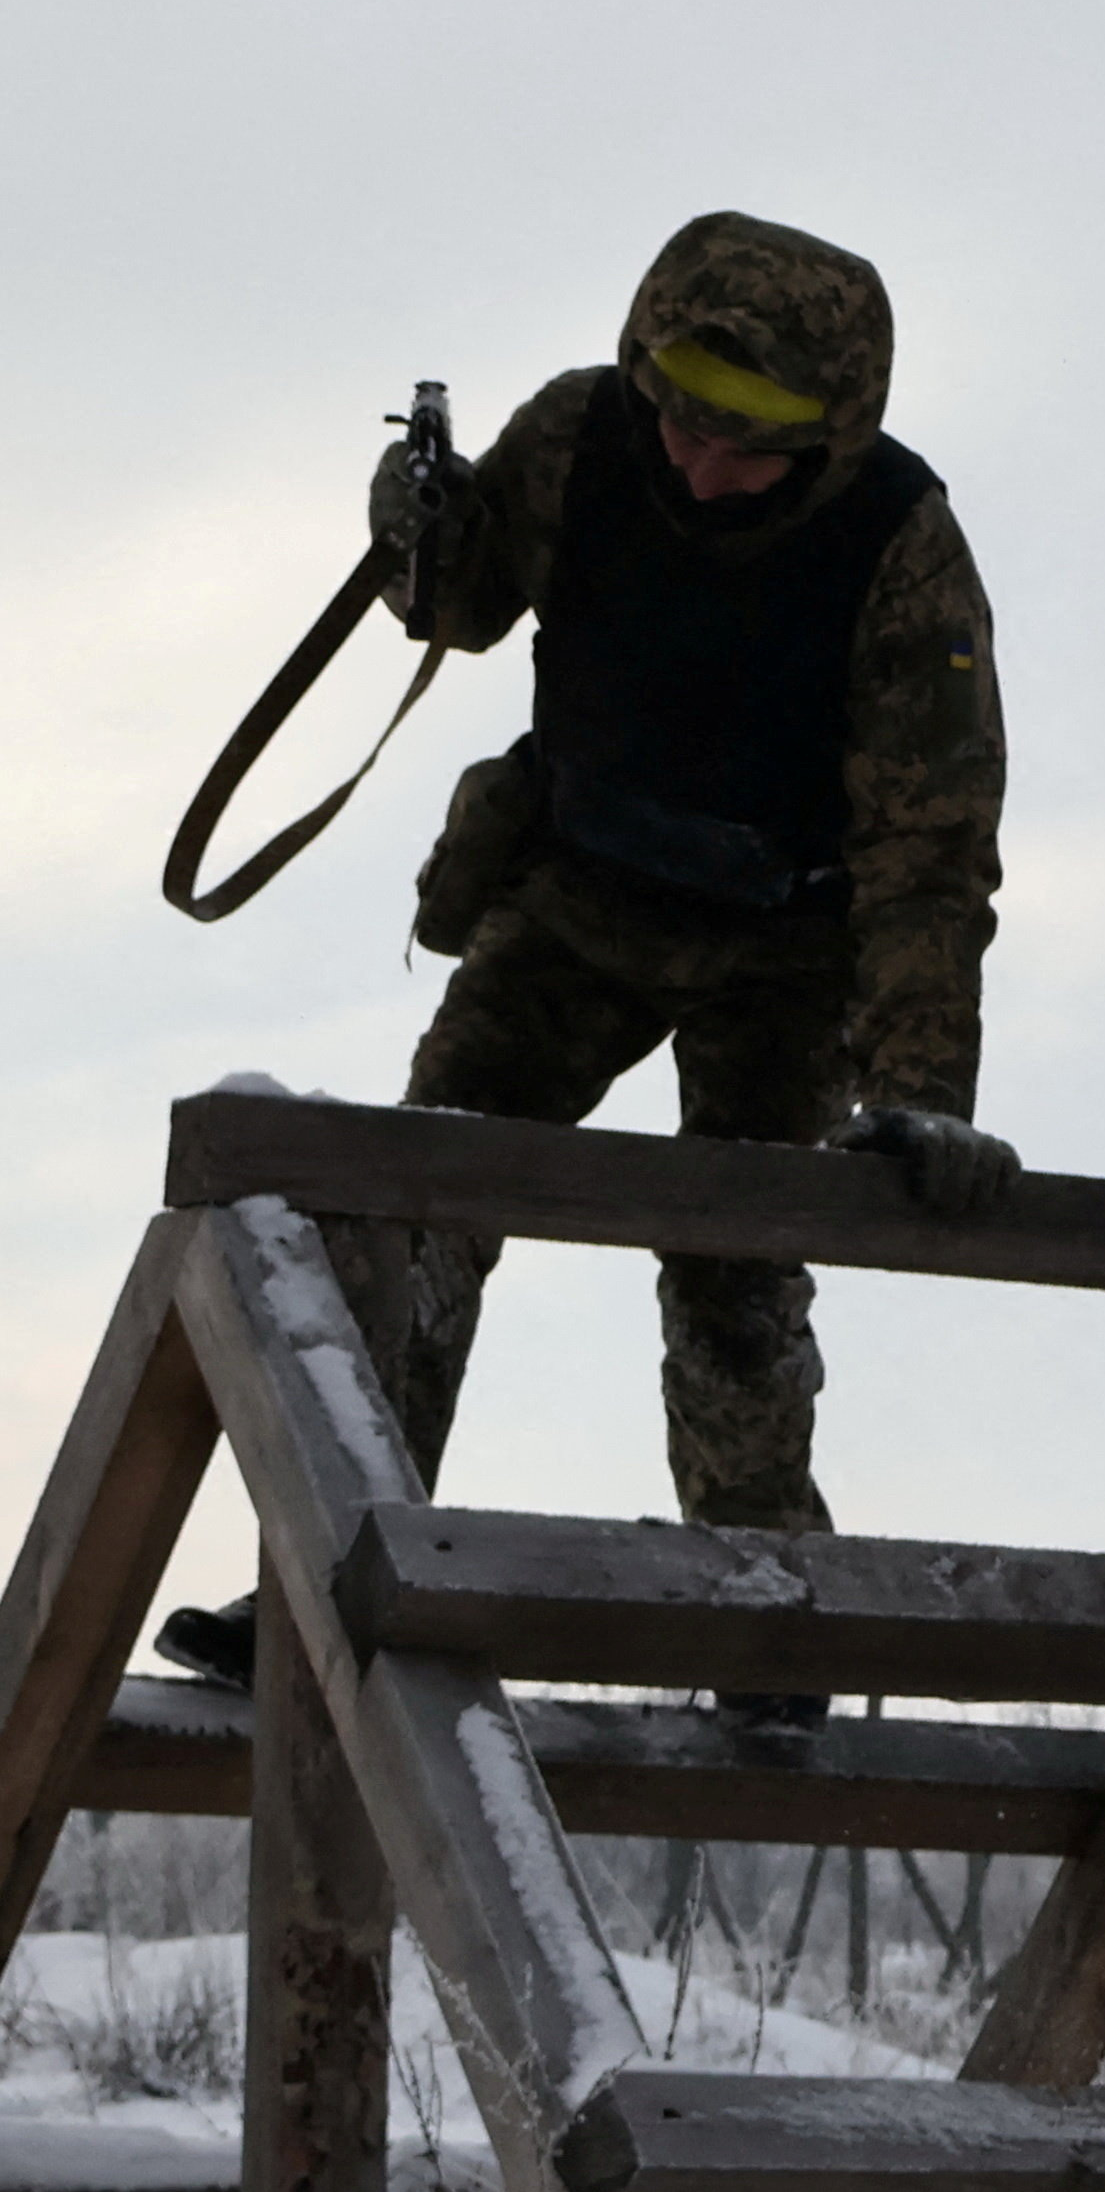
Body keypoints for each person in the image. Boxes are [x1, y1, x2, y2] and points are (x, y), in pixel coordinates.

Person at [158, 211, 1014, 1729]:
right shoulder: (581, 434)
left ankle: (767, 1618)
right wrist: (418, 521)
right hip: (577, 896)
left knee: (737, 1268)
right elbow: (462, 599)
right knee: (417, 1204)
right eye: (678, 413)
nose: (694, 463)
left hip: (787, 948)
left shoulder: (903, 548)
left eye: (743, 442)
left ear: (830, 433)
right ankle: (330, 1555)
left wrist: (920, 1092)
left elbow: (928, 852)